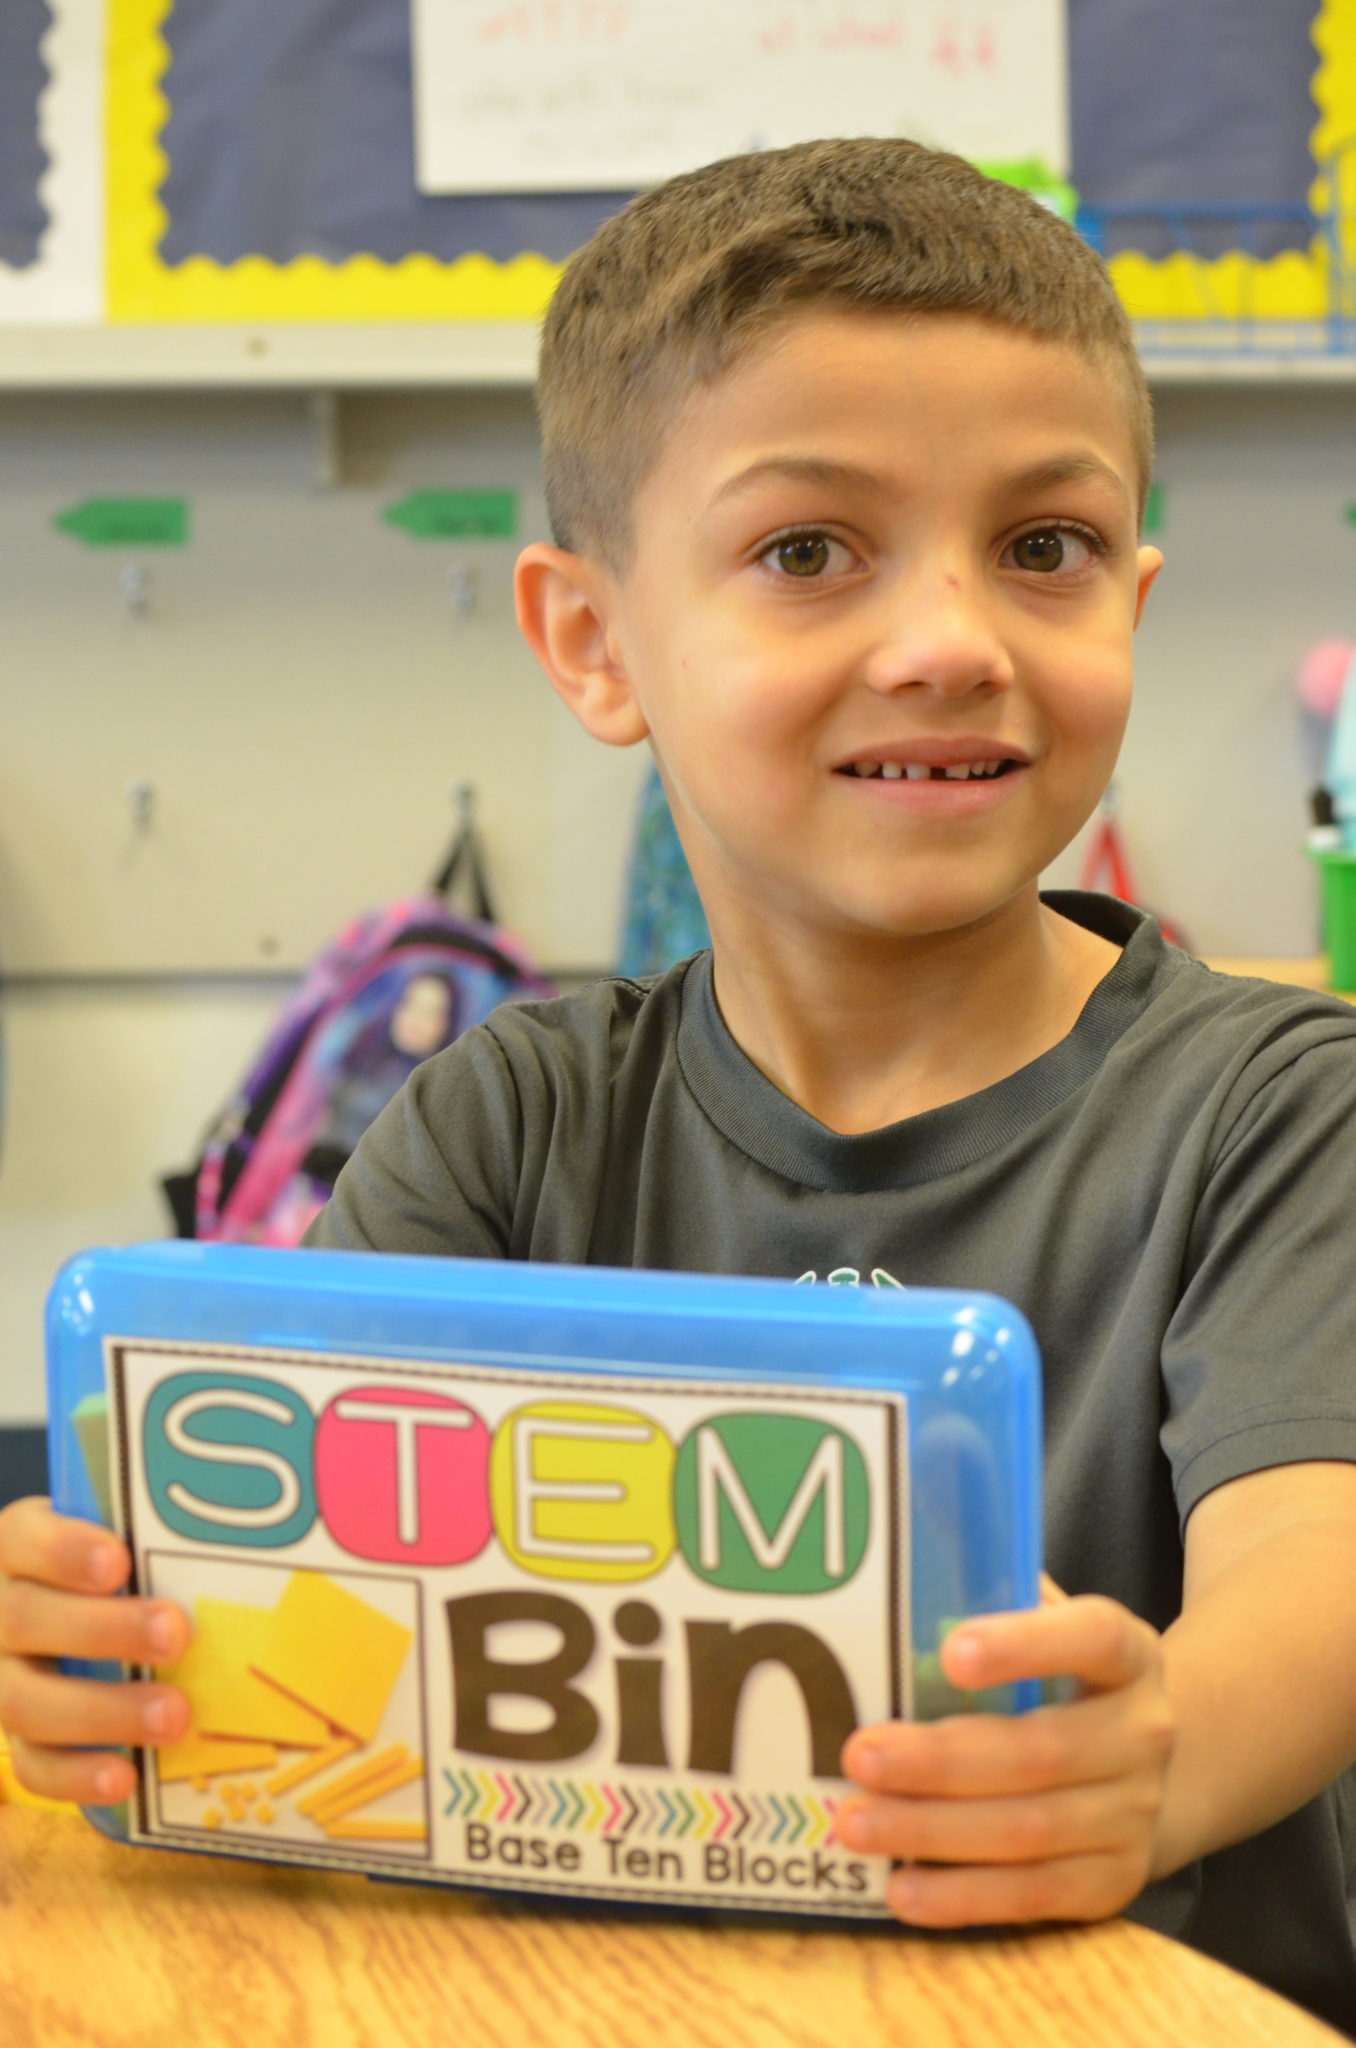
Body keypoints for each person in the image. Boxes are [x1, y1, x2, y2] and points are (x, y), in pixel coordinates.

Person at [5, 138, 1356, 2033]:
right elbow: (280, 1625)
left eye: (1043, 549)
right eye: (808, 551)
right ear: (594, 639)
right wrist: (105, 1632)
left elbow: (1314, 1570)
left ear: (1129, 594)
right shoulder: (506, 1122)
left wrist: (1164, 1753)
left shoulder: (1287, 1111)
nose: (956, 640)